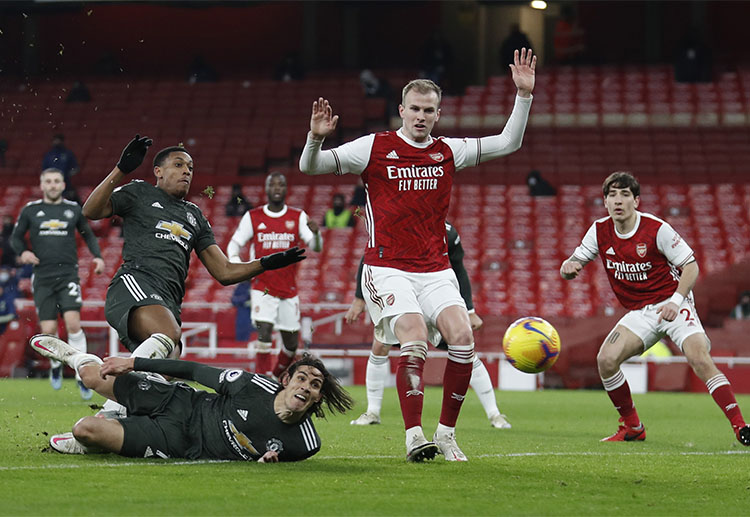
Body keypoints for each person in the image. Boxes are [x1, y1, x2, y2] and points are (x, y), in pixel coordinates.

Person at [299, 48, 536, 462]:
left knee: (463, 339)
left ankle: (446, 435)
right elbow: (311, 167)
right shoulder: (374, 147)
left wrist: (523, 96)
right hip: (387, 267)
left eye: (429, 110)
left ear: (438, 114)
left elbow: (509, 142)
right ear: (401, 110)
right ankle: (413, 436)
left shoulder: (448, 151)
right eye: (415, 109)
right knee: (415, 338)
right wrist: (316, 138)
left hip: (435, 268)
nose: (421, 116)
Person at [81, 136, 307, 418]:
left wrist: (266, 263)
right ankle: (98, 371)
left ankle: (108, 417)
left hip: (167, 300)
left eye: (190, 166)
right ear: (158, 171)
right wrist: (120, 169)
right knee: (168, 335)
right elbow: (90, 211)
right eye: (179, 164)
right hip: (134, 285)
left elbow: (224, 272)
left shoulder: (195, 215)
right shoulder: (139, 192)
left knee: (165, 367)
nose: (187, 171)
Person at [560, 171, 750, 446]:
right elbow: (575, 261)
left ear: (636, 201)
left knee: (699, 357)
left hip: (673, 301)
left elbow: (691, 266)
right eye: (612, 195)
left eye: (625, 195)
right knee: (606, 360)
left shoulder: (656, 229)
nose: (618, 201)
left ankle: (740, 426)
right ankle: (633, 426)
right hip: (639, 311)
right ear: (605, 202)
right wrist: (569, 268)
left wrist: (675, 302)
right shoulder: (599, 230)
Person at [29, 334, 353, 461]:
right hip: (177, 402)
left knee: (85, 429)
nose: (305, 387)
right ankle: (74, 356)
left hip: (175, 442)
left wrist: (270, 462)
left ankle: (102, 431)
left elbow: (277, 460)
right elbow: (193, 370)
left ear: (317, 398)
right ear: (286, 380)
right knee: (91, 376)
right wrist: (134, 363)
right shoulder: (250, 385)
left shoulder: (305, 444)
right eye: (301, 378)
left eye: (314, 385)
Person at [347, 221, 511, 429]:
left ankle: (494, 414)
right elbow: (369, 258)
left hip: (432, 294)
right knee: (380, 344)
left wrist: (469, 311)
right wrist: (359, 298)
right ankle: (372, 412)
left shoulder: (449, 234)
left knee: (464, 348)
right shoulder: (397, 223)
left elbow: (459, 269)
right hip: (400, 290)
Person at [10, 168, 105, 398]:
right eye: (48, 182)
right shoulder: (31, 210)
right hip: (42, 276)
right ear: (42, 185)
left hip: (68, 275)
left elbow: (88, 234)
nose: (52, 185)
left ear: (63, 185)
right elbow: (15, 238)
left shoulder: (72, 209)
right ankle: (55, 365)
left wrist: (98, 256)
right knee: (49, 329)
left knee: (73, 323)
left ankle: (84, 374)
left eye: (56, 181)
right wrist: (23, 253)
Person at [227, 172, 323, 379]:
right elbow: (234, 244)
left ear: (286, 189)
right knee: (264, 332)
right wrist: (237, 265)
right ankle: (261, 380)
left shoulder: (297, 216)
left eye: (281, 184)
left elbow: (315, 247)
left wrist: (316, 233)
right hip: (263, 286)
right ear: (267, 188)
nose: (277, 188)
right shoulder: (253, 216)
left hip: (289, 289)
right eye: (273, 185)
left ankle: (276, 376)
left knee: (291, 344)